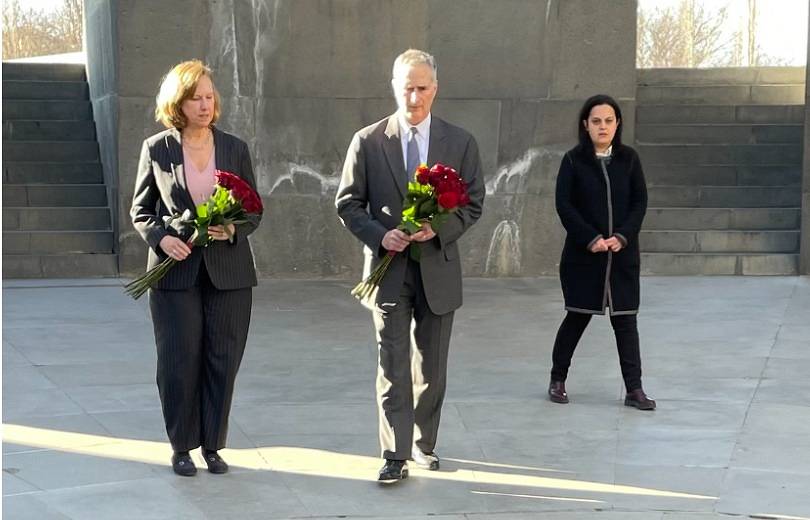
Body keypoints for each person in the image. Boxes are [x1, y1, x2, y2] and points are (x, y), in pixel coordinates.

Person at [336, 49, 485, 482]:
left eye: (422, 88)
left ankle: (424, 443)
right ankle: (394, 453)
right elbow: (347, 203)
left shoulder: (460, 143)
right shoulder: (368, 140)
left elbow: (474, 203)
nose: (414, 97)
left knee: (431, 366)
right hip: (388, 270)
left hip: (437, 267)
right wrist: (380, 235)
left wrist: (436, 228)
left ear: (435, 90)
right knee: (392, 362)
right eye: (407, 88)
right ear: (395, 88)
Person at [130, 60, 262, 476]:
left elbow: (253, 210)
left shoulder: (235, 148)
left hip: (230, 275)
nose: (205, 105)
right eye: (195, 98)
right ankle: (182, 446)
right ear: (178, 103)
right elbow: (141, 209)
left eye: (209, 96)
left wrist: (232, 229)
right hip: (175, 272)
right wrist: (161, 237)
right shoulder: (158, 148)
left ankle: (213, 446)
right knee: (178, 359)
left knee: (223, 359)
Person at [549, 94, 655, 411]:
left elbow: (640, 203)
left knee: (626, 323)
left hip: (622, 258)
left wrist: (622, 236)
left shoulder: (630, 159)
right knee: (577, 318)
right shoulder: (572, 161)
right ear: (586, 125)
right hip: (584, 258)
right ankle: (557, 380)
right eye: (596, 121)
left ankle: (634, 390)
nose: (603, 126)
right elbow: (564, 205)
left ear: (617, 123)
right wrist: (591, 238)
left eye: (609, 120)